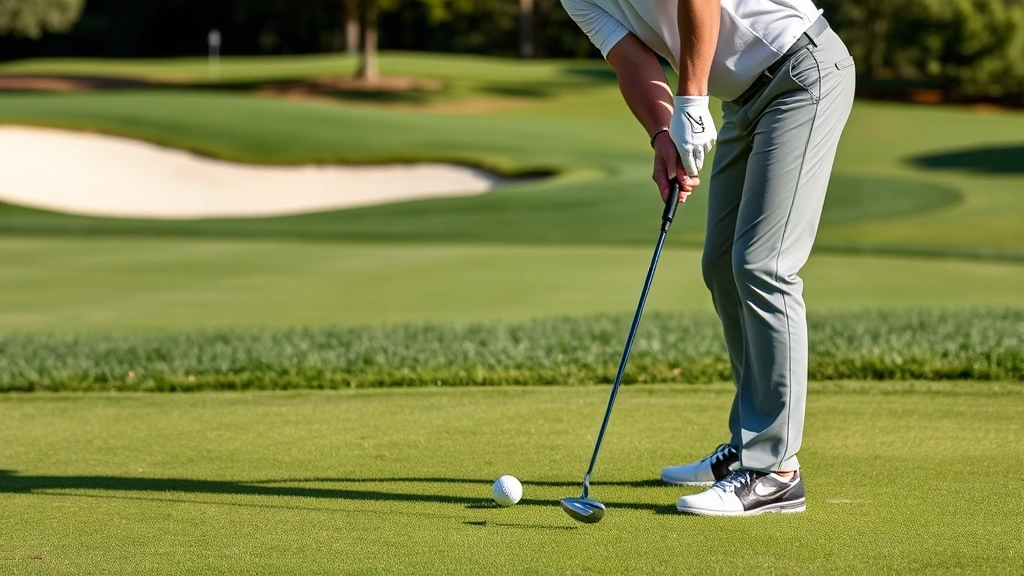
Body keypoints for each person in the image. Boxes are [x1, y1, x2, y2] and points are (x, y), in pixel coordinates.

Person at [560, 0, 856, 516]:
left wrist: (691, 98)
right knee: (722, 265)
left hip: (800, 72)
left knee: (763, 266)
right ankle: (749, 443)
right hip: (741, 101)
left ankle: (775, 469)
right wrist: (662, 133)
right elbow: (632, 60)